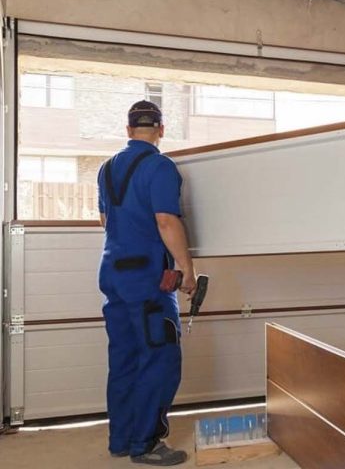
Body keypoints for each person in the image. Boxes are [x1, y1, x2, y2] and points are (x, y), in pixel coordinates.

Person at [98, 100, 197, 466]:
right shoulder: (160, 166)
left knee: (123, 359)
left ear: (128, 131)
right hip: (147, 280)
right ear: (161, 129)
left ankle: (121, 439)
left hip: (113, 275)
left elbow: (105, 221)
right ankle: (146, 444)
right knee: (160, 357)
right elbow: (166, 221)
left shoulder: (106, 169)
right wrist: (186, 268)